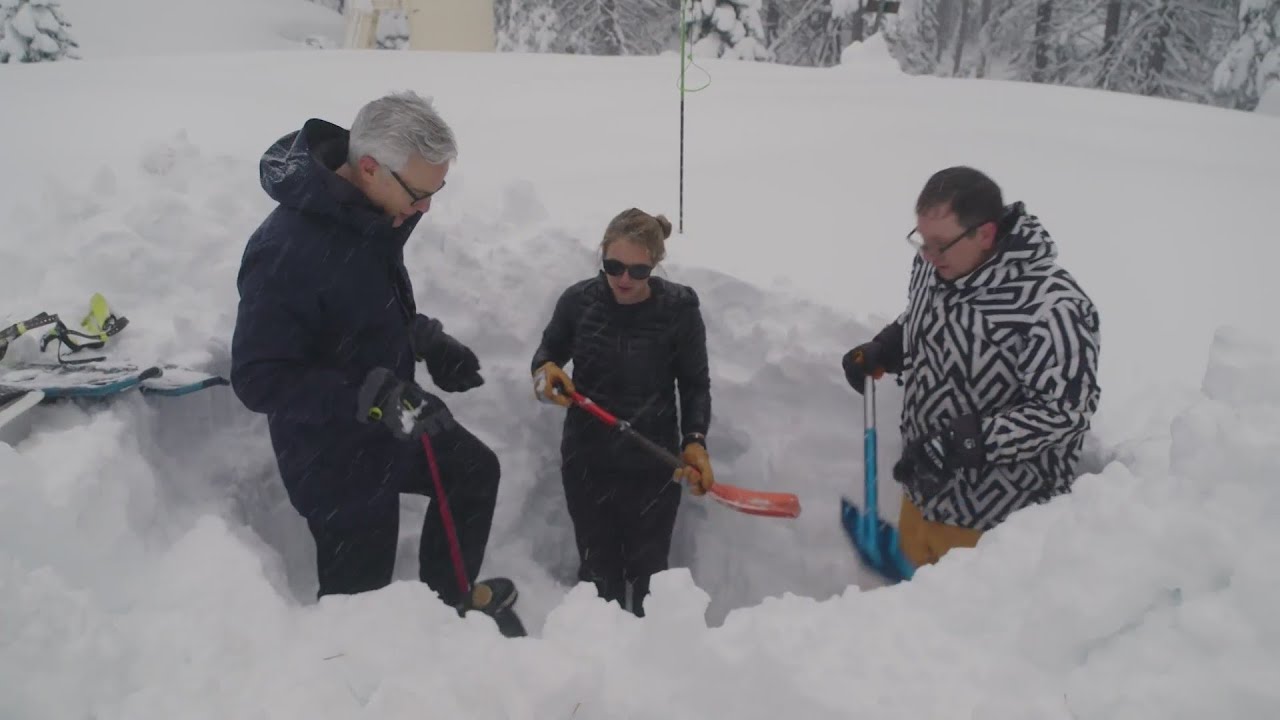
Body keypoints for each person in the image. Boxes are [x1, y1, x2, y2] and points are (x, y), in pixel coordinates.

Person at [229, 91, 507, 612]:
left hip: (391, 422)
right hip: (335, 460)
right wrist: (372, 395)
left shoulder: (371, 214)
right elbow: (258, 377)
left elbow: (360, 310)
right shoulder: (284, 250)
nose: (426, 207)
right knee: (360, 606)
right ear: (372, 167)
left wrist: (426, 341)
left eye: (436, 191)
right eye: (420, 192)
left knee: (474, 472)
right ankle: (355, 676)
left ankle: (448, 605)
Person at [842, 166, 1101, 569]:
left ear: (986, 233)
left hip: (993, 528)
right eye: (922, 242)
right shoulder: (936, 264)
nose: (928, 256)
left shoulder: (1054, 308)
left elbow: (1063, 414)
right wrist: (889, 346)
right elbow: (924, 315)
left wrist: (961, 444)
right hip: (923, 495)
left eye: (940, 245)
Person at [529, 208, 715, 617]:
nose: (624, 279)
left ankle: (649, 669)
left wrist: (695, 440)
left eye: (638, 270)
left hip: (653, 461)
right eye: (613, 266)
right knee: (599, 577)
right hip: (587, 459)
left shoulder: (680, 309)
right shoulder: (578, 302)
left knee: (650, 578)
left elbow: (694, 383)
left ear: (655, 266)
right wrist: (546, 374)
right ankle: (601, 665)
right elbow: (546, 357)